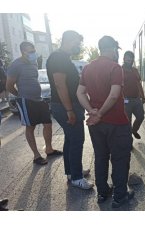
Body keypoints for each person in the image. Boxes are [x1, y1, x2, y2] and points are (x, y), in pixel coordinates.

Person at [77, 35, 134, 208]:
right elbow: (114, 94)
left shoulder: (87, 68)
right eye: (117, 50)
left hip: (96, 125)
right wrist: (100, 113)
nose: (117, 53)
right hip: (116, 122)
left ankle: (102, 193)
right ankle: (120, 196)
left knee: (101, 157)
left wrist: (91, 111)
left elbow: (79, 93)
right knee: (120, 159)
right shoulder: (115, 68)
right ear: (112, 49)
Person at [46, 31, 93, 190]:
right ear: (69, 40)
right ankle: (77, 178)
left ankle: (72, 172)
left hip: (68, 105)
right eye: (77, 42)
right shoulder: (58, 57)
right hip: (66, 106)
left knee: (70, 140)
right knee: (77, 140)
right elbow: (60, 85)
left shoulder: (63, 58)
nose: (78, 46)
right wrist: (69, 110)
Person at [6, 41, 62, 166]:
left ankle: (49, 149)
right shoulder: (16, 65)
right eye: (30, 52)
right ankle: (36, 156)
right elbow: (9, 85)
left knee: (48, 123)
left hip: (39, 98)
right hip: (26, 100)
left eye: (33, 51)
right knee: (30, 127)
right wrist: (21, 96)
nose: (33, 54)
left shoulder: (33, 63)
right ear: (23, 52)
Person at [122, 51, 145, 140]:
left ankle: (134, 130)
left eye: (131, 58)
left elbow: (138, 84)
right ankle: (129, 142)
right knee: (127, 122)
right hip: (125, 100)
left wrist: (142, 96)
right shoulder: (120, 70)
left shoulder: (134, 70)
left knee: (140, 117)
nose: (129, 60)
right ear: (124, 59)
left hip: (136, 99)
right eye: (127, 58)